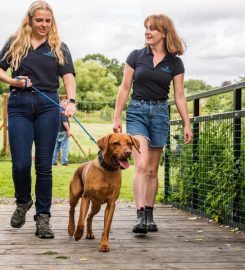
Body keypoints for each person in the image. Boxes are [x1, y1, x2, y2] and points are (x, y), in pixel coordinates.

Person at [0, 1, 76, 239]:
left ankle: (43, 218)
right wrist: (14, 82)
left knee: (44, 166)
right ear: (30, 21)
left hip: (48, 107)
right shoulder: (15, 43)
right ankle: (23, 202)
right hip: (19, 105)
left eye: (47, 21)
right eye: (39, 20)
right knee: (21, 163)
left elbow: (68, 77)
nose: (44, 25)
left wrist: (71, 101)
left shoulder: (59, 47)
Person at [113, 14, 192, 234]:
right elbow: (124, 87)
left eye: (153, 29)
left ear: (165, 33)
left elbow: (179, 95)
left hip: (159, 113)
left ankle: (149, 213)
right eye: (146, 28)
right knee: (140, 164)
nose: (148, 32)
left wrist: (187, 123)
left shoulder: (175, 62)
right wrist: (117, 116)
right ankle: (139, 216)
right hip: (137, 111)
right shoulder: (136, 56)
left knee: (151, 169)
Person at [52, 101, 72, 166]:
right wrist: (69, 130)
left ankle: (54, 161)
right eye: (67, 105)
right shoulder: (64, 112)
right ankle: (64, 162)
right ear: (64, 105)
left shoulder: (57, 111)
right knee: (64, 147)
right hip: (63, 131)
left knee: (56, 147)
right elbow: (65, 122)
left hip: (56, 131)